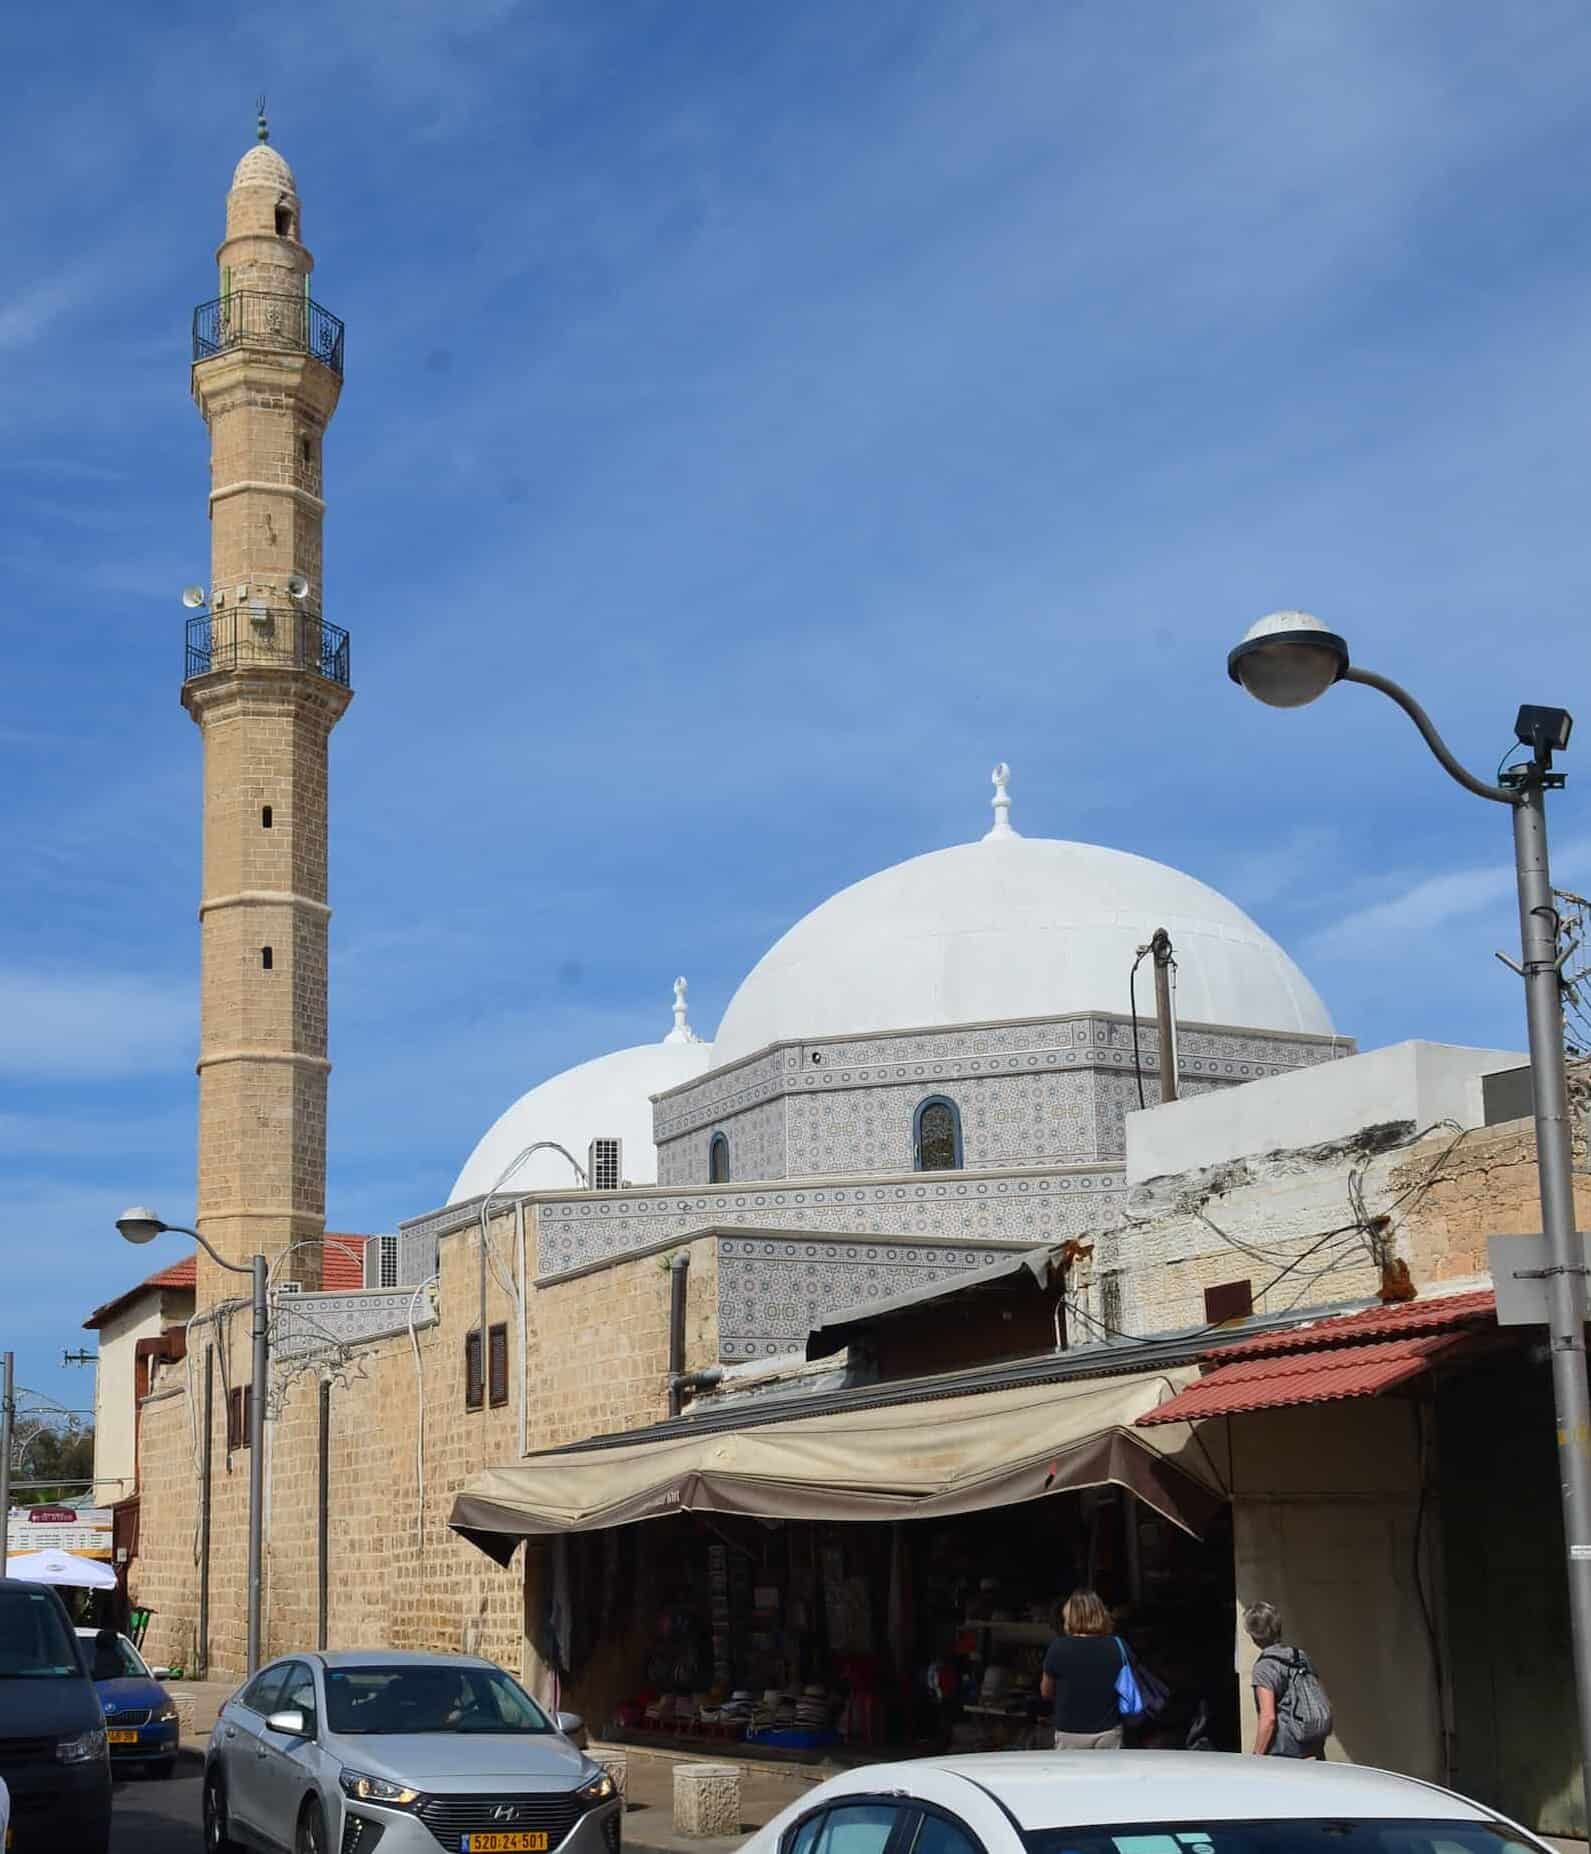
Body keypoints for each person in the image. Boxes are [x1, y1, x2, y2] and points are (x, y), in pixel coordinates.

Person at [1040, 1588, 1124, 1749]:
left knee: (1070, 1774)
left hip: (1069, 1731)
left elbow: (1046, 1692)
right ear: (1101, 1615)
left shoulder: (1058, 1647)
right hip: (1108, 1731)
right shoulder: (1118, 1646)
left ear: (1069, 1616)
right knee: (1107, 1774)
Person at [1243, 1601, 1329, 1758]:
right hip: (1313, 1743)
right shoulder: (1300, 1656)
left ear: (1254, 1635)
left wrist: (1256, 1757)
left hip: (1285, 1751)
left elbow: (1268, 1718)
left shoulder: (1264, 1667)